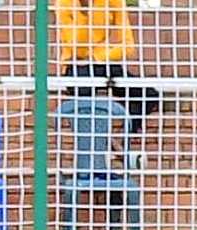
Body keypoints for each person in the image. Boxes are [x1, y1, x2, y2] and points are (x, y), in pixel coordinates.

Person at [54, 0, 159, 149]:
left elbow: (128, 45)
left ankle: (119, 142)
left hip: (103, 62)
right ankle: (96, 145)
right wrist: (86, 12)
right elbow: (77, 49)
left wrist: (98, 58)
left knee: (148, 95)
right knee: (84, 98)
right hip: (75, 65)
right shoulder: (64, 2)